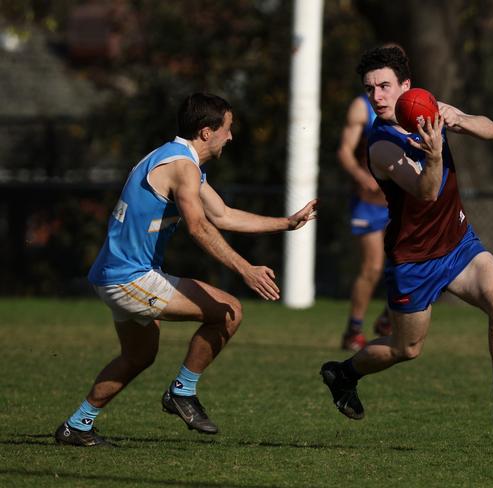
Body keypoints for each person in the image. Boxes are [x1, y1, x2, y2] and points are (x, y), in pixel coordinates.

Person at [54, 92, 317, 447]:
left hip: (115, 274)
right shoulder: (183, 167)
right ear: (207, 132)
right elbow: (198, 227)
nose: (231, 136)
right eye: (227, 129)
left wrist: (286, 223)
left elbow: (221, 215)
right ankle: (182, 392)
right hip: (130, 277)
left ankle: (77, 425)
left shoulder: (177, 159)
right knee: (229, 311)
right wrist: (245, 268)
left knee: (138, 356)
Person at [320, 46, 493, 438]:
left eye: (385, 86)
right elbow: (426, 192)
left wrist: (460, 118)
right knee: (406, 349)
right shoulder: (382, 144)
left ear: (406, 86)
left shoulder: (427, 108)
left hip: (458, 243)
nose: (377, 97)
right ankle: (343, 373)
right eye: (370, 89)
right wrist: (436, 154)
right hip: (415, 259)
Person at [337, 92, 391, 351]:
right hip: (369, 202)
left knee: (412, 263)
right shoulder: (361, 107)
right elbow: (345, 151)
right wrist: (361, 175)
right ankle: (353, 330)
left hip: (399, 203)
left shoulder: (411, 104)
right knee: (373, 266)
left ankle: (388, 317)